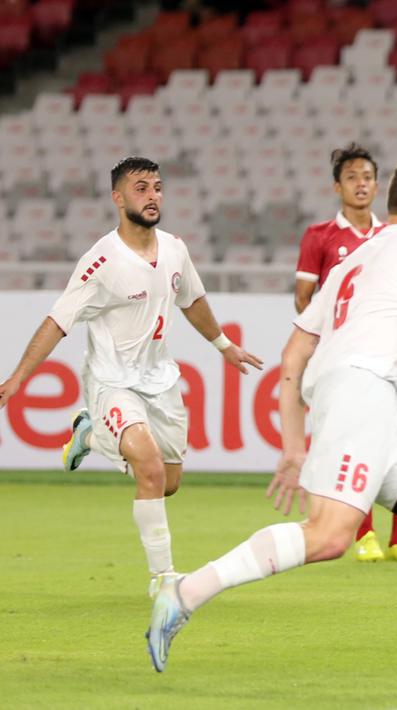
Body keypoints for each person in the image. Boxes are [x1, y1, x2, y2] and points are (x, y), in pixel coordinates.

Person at [146, 157, 397, 686]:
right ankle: (185, 592)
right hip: (365, 393)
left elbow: (293, 356)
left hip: (367, 404)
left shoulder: (352, 263)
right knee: (329, 535)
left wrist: (294, 445)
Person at [0, 157, 264, 596]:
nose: (153, 195)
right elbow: (57, 321)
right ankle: (163, 579)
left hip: (160, 380)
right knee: (148, 467)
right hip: (112, 381)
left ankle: (89, 433)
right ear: (118, 198)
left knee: (169, 482)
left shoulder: (175, 248)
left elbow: (191, 298)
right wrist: (18, 377)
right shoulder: (101, 260)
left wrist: (224, 345)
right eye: (141, 187)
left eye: (158, 187)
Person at [295, 143, 397, 565]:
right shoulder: (320, 237)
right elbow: (304, 298)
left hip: (394, 355)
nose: (361, 184)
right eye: (352, 177)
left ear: (378, 185)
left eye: (368, 177)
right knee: (359, 439)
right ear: (337, 186)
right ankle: (365, 534)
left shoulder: (391, 235)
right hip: (351, 361)